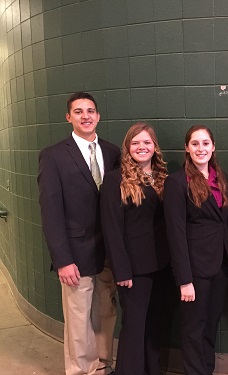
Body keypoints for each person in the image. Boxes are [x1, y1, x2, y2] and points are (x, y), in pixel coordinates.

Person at [38, 92, 120, 375]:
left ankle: (104, 365)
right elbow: (51, 212)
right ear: (68, 117)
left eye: (90, 111)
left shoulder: (112, 152)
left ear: (98, 116)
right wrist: (62, 259)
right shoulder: (53, 156)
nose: (85, 116)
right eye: (78, 111)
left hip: (108, 252)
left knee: (106, 313)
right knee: (78, 319)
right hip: (75, 253)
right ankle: (82, 371)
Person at [163, 125, 228, 375]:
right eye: (195, 143)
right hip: (194, 270)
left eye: (205, 143)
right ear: (187, 148)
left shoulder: (220, 177)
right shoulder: (176, 182)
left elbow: (224, 223)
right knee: (194, 329)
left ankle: (207, 370)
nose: (201, 148)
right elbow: (175, 234)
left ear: (213, 146)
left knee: (209, 326)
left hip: (220, 267)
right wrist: (184, 280)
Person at [100, 123, 169, 375]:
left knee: (153, 326)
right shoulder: (115, 179)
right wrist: (122, 271)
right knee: (134, 327)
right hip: (133, 270)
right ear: (128, 147)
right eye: (136, 143)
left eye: (147, 142)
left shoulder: (162, 178)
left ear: (154, 147)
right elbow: (112, 229)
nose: (142, 147)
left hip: (160, 265)